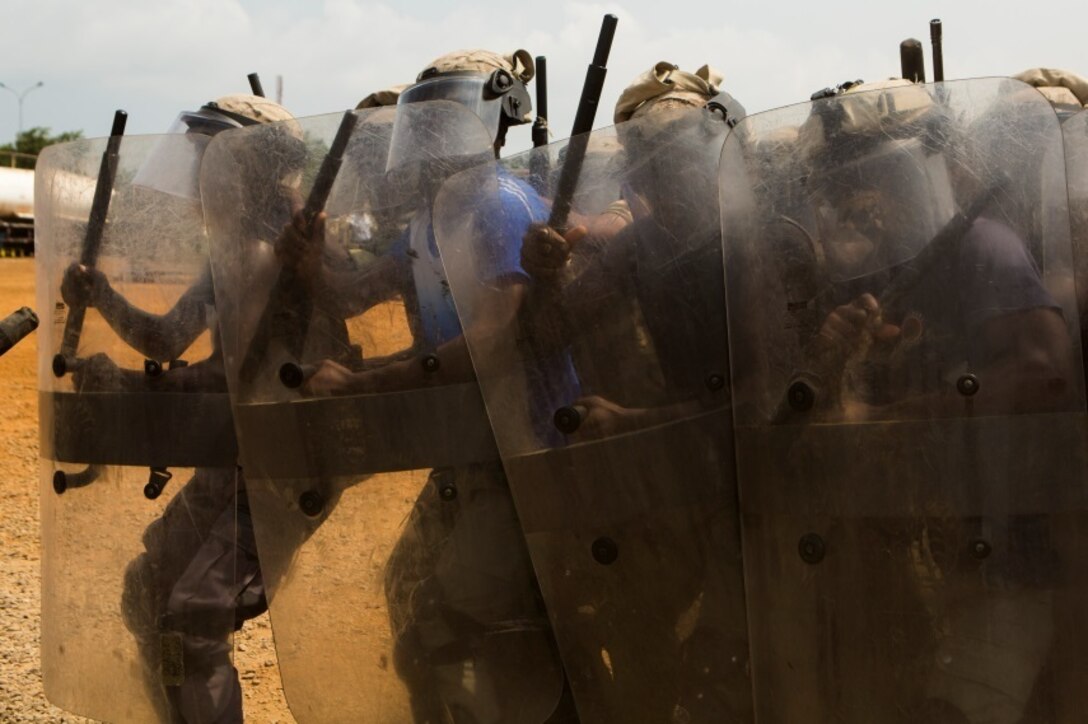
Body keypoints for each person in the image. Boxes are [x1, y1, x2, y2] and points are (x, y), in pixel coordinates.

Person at [720, 77, 1081, 723]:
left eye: (875, 174)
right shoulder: (865, 275)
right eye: (835, 181)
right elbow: (812, 431)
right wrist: (832, 368)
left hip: (1006, 563)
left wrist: (895, 419)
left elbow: (1044, 371)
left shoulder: (982, 249)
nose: (857, 197)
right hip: (906, 574)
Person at [451, 62, 753, 722]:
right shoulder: (641, 247)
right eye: (646, 162)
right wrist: (547, 274)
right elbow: (548, 332)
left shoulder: (765, 243)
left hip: (763, 491)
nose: (652, 178)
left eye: (672, 161)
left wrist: (636, 422)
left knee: (730, 667)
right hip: (683, 479)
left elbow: (767, 400)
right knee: (634, 630)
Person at [285, 50, 576, 723]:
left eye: (449, 118)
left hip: (525, 454)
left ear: (496, 118)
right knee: (410, 592)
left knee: (457, 621)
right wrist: (310, 265)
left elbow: (491, 340)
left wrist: (365, 385)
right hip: (470, 449)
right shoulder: (431, 218)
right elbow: (355, 294)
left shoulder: (498, 205)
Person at [59, 93, 303, 723]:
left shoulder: (261, 253)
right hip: (234, 455)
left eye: (208, 161)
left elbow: (231, 378)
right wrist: (105, 295)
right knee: (151, 592)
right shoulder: (233, 249)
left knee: (194, 616)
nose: (197, 176)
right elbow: (169, 342)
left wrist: (134, 389)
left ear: (250, 169)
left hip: (278, 468)